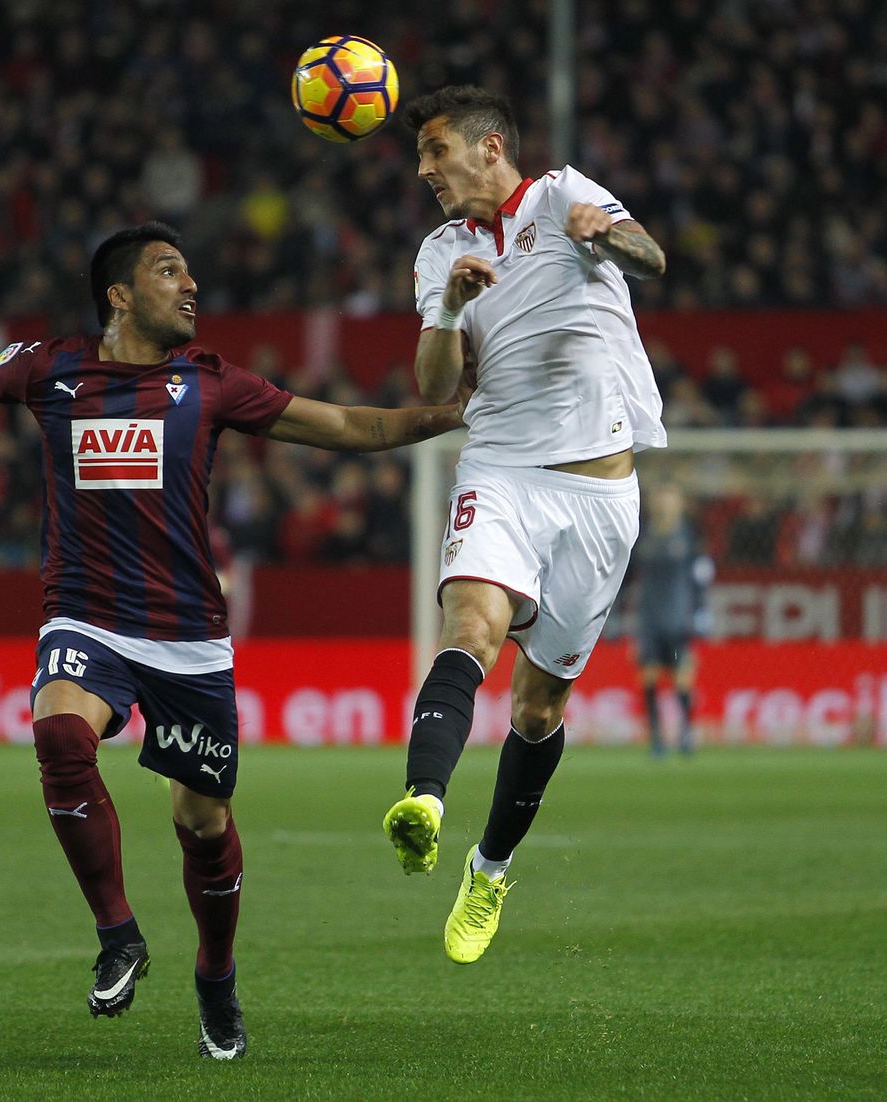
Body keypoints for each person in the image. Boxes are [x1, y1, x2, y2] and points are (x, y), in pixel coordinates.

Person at [0, 222, 463, 1060]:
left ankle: (216, 978)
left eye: (189, 272)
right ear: (120, 295)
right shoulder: (51, 368)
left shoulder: (211, 383)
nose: (191, 286)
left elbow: (351, 426)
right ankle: (118, 936)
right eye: (170, 271)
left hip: (189, 637)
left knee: (202, 824)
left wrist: (451, 413)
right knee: (60, 734)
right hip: (85, 615)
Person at [379, 85, 668, 964]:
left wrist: (601, 233)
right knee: (470, 625)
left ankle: (490, 868)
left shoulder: (562, 193)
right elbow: (436, 385)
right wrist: (448, 308)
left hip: (600, 497)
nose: (425, 171)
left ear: (490, 147)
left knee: (538, 710)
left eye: (436, 151)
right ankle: (423, 800)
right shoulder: (440, 251)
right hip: (501, 468)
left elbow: (652, 257)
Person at [629, 483, 714, 756]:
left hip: (678, 621)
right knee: (649, 677)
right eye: (660, 498)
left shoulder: (689, 538)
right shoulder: (641, 536)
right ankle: (656, 737)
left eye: (670, 498)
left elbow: (701, 578)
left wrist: (701, 611)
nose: (664, 503)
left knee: (682, 678)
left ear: (679, 503)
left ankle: (686, 731)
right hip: (649, 621)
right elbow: (627, 577)